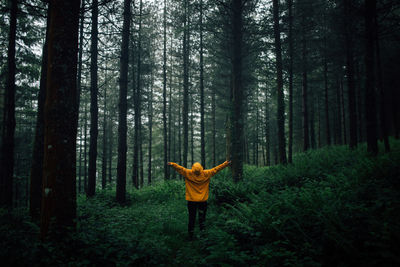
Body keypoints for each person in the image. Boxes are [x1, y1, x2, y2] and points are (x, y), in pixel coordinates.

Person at [168, 160, 231, 240]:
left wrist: (172, 164)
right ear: (201, 168)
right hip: (202, 201)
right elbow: (216, 169)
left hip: (191, 201)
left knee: (191, 219)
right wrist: (226, 164)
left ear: (193, 168)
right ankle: (203, 236)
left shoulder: (188, 173)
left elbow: (180, 169)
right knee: (202, 219)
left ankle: (190, 236)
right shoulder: (206, 173)